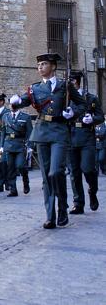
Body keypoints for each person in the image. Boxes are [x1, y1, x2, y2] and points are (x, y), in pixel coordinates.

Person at [9, 53, 86, 229]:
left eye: (44, 64)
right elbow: (22, 101)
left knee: (55, 172)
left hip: (59, 132)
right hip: (42, 132)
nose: (40, 67)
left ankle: (63, 208)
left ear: (53, 66)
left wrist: (73, 113)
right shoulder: (35, 88)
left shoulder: (64, 86)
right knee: (46, 177)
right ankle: (50, 215)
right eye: (39, 65)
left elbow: (81, 104)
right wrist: (16, 101)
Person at [67, 71, 103, 213]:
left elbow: (100, 116)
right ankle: (78, 203)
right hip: (71, 136)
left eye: (69, 82)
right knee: (74, 172)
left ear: (75, 82)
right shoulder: (66, 99)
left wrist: (92, 119)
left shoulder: (91, 98)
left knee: (88, 169)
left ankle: (92, 191)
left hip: (87, 136)